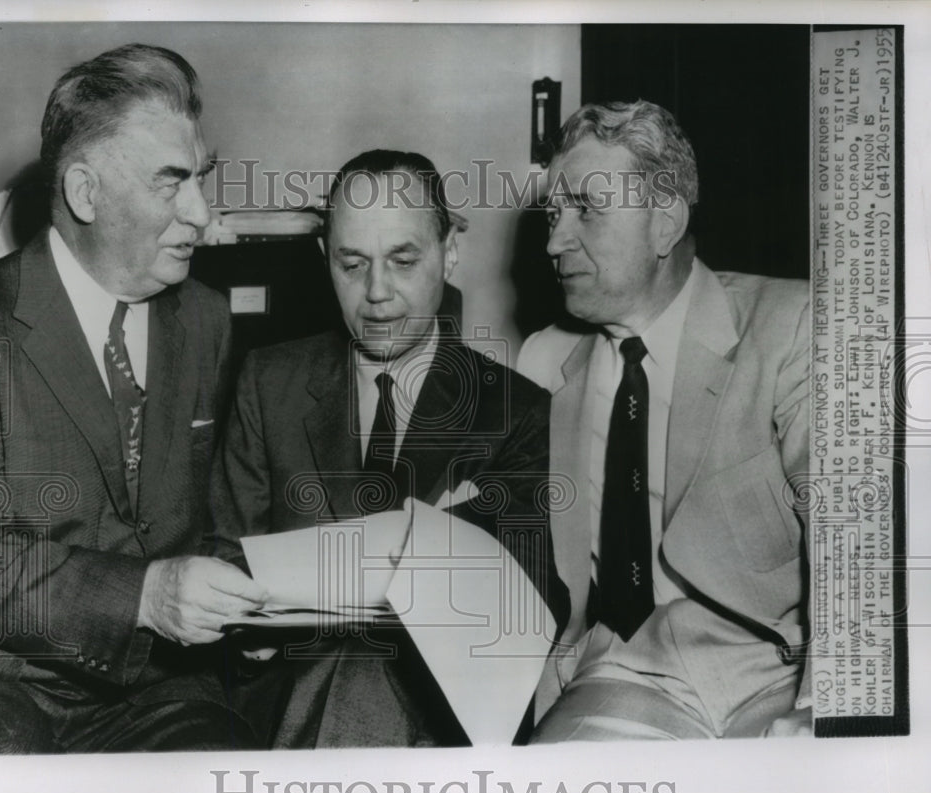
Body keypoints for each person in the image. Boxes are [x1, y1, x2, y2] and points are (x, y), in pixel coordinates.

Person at [0, 43, 268, 754]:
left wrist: (247, 603)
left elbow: (219, 516)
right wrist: (148, 595)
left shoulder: (208, 322)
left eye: (202, 178)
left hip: (165, 686)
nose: (202, 213)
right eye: (171, 183)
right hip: (2, 679)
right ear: (84, 193)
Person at [211, 149, 570, 747]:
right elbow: (224, 554)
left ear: (450, 250)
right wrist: (248, 631)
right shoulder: (267, 380)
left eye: (403, 261)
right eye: (352, 264)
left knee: (366, 675)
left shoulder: (516, 410)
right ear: (325, 257)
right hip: (284, 704)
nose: (377, 293)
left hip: (441, 714)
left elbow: (537, 596)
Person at [518, 101, 811, 741]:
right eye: (553, 214)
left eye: (586, 209)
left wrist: (827, 706)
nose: (554, 240)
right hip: (622, 671)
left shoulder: (792, 328)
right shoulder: (542, 361)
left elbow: (857, 533)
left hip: (782, 668)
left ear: (665, 222)